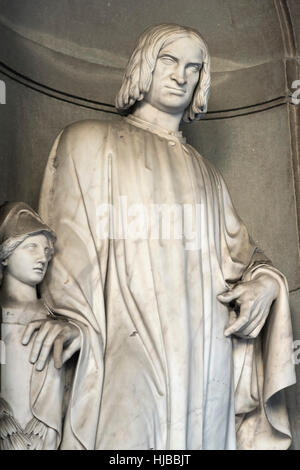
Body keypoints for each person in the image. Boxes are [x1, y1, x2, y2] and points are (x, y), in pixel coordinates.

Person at [35, 24, 295, 449]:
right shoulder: (88, 142)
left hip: (206, 349)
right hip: (122, 337)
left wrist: (267, 284)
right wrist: (74, 324)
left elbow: (245, 257)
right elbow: (67, 257)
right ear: (143, 65)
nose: (181, 75)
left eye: (194, 68)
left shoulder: (207, 174)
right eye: (169, 60)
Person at [0, 201, 69, 449]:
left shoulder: (58, 320)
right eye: (31, 247)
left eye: (47, 250)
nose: (42, 257)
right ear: (5, 254)